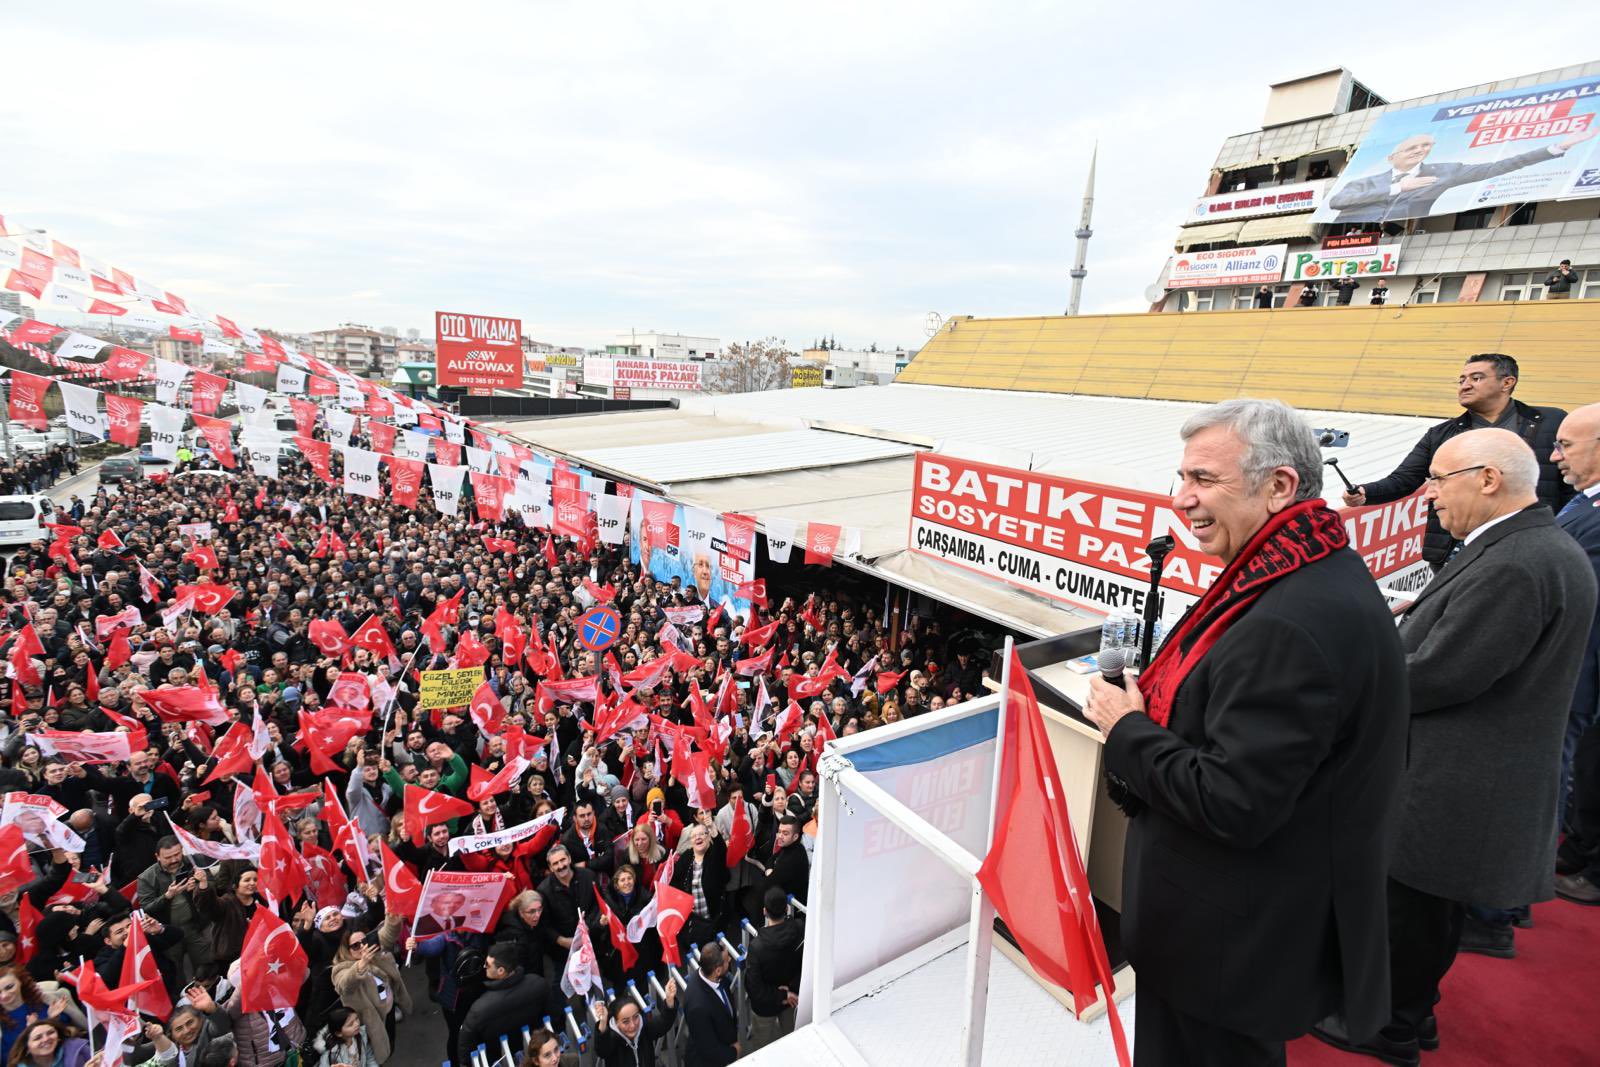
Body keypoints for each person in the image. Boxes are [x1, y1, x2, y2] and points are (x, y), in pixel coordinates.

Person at [1084, 398, 1407, 1066]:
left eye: (1203, 479)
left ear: (1279, 485)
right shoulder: (1308, 571)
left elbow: (1232, 801)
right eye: (1182, 477)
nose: (1182, 498)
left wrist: (1127, 728)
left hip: (1222, 950)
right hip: (1235, 937)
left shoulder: (1287, 622)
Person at [1324, 429, 1596, 1065]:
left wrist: (1349, 674)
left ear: (1488, 479)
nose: (1429, 496)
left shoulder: (1517, 563)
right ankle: (1410, 1013)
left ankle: (1387, 1025)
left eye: (1439, 481)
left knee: (1413, 905)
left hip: (1456, 775)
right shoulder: (1523, 546)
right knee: (1426, 906)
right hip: (1465, 769)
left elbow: (1443, 673)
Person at [1341, 353, 1571, 568]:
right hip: (1457, 551)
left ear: (1507, 382)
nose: (1465, 385)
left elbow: (1573, 484)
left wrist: (1567, 531)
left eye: (1476, 378)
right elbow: (1404, 479)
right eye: (1461, 380)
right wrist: (1365, 492)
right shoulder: (1440, 434)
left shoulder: (1551, 421)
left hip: (1534, 544)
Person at [1327, 128, 1599, 223]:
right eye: (1412, 147)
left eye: (1426, 146)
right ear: (1392, 157)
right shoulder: (1364, 182)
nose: (1420, 151)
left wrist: (1557, 147)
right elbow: (1338, 202)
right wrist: (1399, 188)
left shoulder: (1445, 172)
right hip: (1350, 242)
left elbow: (1499, 166)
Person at [455, 942, 555, 1067]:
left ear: (501, 971)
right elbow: (551, 1014)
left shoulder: (479, 1009)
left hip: (500, 1059)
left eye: (488, 964)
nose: (484, 967)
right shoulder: (538, 983)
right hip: (533, 1050)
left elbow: (466, 1045)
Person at [743, 889, 804, 1052]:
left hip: (766, 1007)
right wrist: (790, 991)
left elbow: (753, 988)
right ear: (787, 909)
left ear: (764, 911)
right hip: (793, 999)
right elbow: (806, 964)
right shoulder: (800, 929)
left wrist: (783, 994)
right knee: (793, 1042)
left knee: (761, 1049)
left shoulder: (757, 947)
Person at [590, 981, 679, 1067]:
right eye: (625, 1021)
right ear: (616, 1023)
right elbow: (602, 1050)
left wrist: (669, 1001)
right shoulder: (611, 1039)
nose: (632, 1025)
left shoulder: (644, 1027)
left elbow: (663, 1023)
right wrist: (603, 1023)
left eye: (636, 1017)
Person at [681, 943, 738, 1067]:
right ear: (717, 970)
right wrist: (734, 1052)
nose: (730, 959)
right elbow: (708, 1049)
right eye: (726, 960)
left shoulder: (713, 976)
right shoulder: (697, 1007)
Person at [312, 1007, 379, 1067]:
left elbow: (369, 1058)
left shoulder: (362, 1036)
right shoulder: (331, 1052)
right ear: (339, 1033)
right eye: (351, 1024)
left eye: (356, 1018)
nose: (357, 1024)